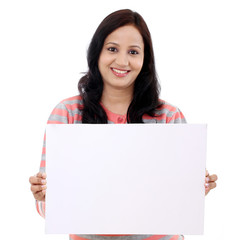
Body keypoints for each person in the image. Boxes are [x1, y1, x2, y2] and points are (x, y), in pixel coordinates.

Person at [29, 9, 218, 240]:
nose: (122, 61)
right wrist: (44, 197)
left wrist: (197, 188)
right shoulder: (67, 113)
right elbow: (48, 212)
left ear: (145, 59)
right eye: (112, 49)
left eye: (133, 52)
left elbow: (181, 204)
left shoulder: (168, 116)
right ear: (96, 52)